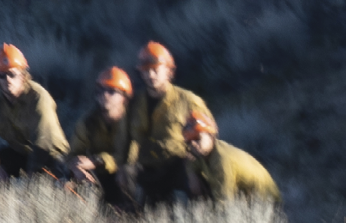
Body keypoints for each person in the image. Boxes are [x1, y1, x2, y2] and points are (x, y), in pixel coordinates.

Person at [0, 42, 68, 184]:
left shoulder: (39, 98)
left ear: (23, 75)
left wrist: (30, 177)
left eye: (12, 74)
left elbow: (43, 141)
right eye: (2, 75)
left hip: (49, 155)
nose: (8, 80)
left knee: (59, 182)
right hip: (20, 153)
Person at [126, 40, 211, 208]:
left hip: (179, 168)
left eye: (155, 70)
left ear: (169, 71)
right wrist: (126, 167)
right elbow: (129, 139)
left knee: (194, 202)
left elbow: (208, 137)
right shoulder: (134, 104)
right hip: (147, 170)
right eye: (146, 71)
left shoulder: (189, 101)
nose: (150, 75)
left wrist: (195, 168)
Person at [66, 65, 142, 211]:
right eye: (101, 90)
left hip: (126, 175)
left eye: (112, 91)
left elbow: (131, 156)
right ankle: (97, 212)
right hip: (101, 176)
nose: (104, 95)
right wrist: (76, 168)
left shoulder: (134, 121)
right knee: (70, 180)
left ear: (125, 98)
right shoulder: (88, 121)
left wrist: (96, 161)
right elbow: (73, 153)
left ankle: (130, 213)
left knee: (128, 171)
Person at [175, 107, 280, 204]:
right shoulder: (204, 152)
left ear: (211, 135)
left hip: (266, 203)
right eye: (189, 142)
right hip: (245, 200)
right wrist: (192, 175)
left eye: (197, 138)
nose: (193, 145)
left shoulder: (222, 160)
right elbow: (191, 163)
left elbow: (223, 204)